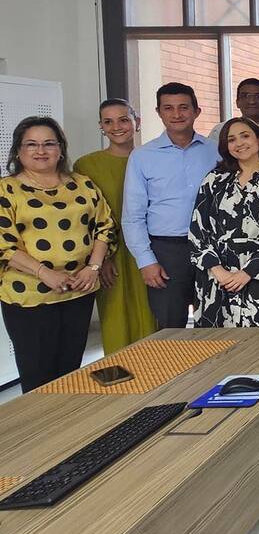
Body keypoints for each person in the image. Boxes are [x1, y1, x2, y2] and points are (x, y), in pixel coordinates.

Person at [0, 117, 115, 392]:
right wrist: (45, 274)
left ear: (60, 149)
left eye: (49, 143)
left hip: (79, 291)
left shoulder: (83, 184)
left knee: (69, 372)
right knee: (38, 374)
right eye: (32, 144)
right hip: (29, 297)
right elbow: (4, 244)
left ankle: (68, 429)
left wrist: (94, 268)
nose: (41, 150)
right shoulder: (7, 189)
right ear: (18, 151)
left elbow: (105, 226)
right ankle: (40, 432)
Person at [123, 82, 220, 329]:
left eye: (184, 107)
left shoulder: (216, 151)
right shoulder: (143, 156)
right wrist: (146, 260)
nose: (177, 115)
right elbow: (133, 216)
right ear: (159, 112)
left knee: (214, 322)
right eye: (168, 108)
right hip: (166, 251)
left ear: (197, 111)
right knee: (170, 327)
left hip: (213, 247)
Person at [190, 118, 259, 328]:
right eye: (231, 139)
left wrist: (246, 273)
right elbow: (197, 230)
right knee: (214, 347)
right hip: (215, 277)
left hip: (257, 276)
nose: (239, 143)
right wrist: (219, 271)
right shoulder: (214, 180)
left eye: (245, 136)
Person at [74, 99, 156, 353]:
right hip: (110, 253)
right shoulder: (86, 166)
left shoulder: (152, 158)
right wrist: (100, 260)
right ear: (101, 126)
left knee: (153, 315)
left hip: (150, 250)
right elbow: (84, 218)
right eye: (108, 121)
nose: (117, 127)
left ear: (137, 122)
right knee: (116, 317)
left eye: (123, 119)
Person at [207, 78, 259, 154]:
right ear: (237, 103)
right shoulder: (220, 131)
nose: (251, 101)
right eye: (245, 96)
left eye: (258, 96)